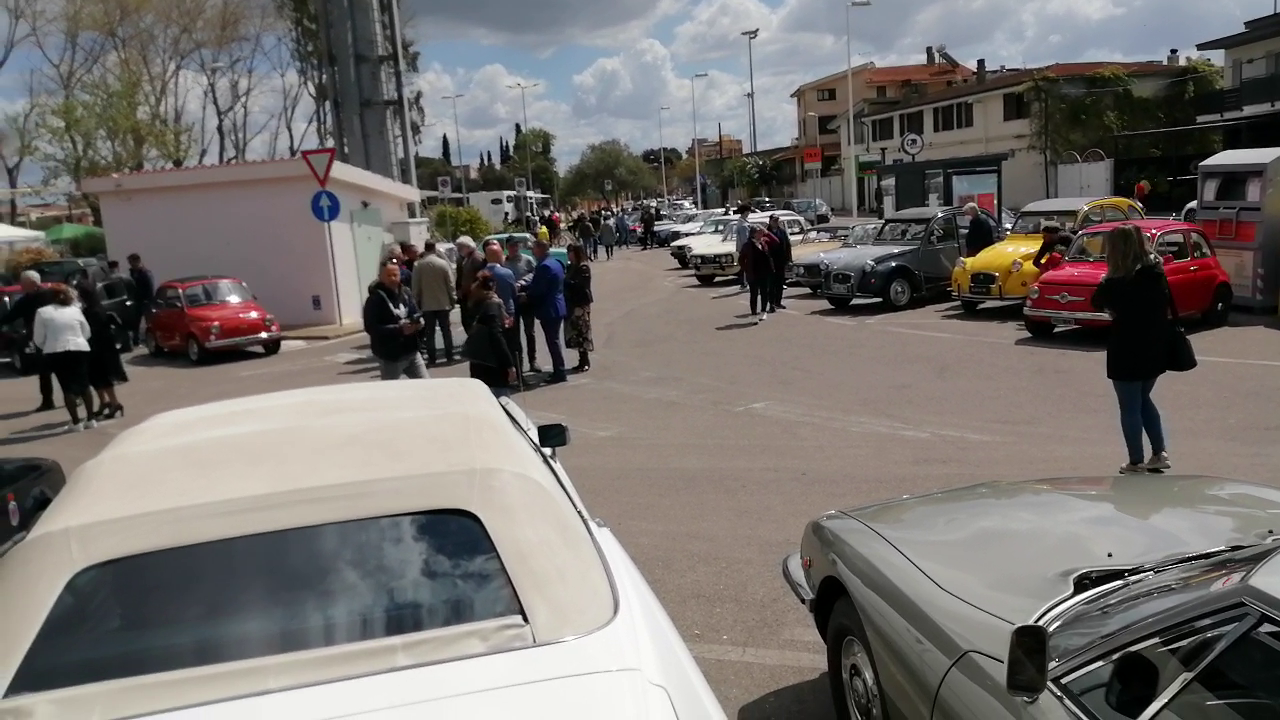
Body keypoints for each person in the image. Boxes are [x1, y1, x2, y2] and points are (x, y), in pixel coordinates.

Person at [1090, 223, 1172, 474]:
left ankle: (1135, 461)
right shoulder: (1156, 274)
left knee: (1129, 406)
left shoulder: (1116, 282)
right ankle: (1159, 453)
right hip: (1155, 346)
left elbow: (1096, 301)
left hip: (1126, 347)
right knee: (1144, 399)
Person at [32, 284, 96, 430]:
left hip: (56, 350)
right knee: (84, 383)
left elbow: (38, 338)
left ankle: (75, 422)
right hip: (79, 347)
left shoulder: (42, 312)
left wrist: (47, 346)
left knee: (67, 386)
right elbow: (86, 331)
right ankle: (91, 418)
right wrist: (79, 340)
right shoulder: (75, 310)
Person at [0, 270, 57, 411]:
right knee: (44, 371)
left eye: (23, 283)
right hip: (39, 338)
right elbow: (10, 316)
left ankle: (73, 396)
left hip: (55, 336)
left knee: (62, 368)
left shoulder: (50, 295)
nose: (20, 285)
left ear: (32, 283)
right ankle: (48, 401)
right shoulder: (26, 300)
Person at [363, 260, 428, 380]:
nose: (393, 278)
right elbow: (371, 327)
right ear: (380, 277)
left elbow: (415, 312)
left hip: (412, 351)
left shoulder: (406, 293)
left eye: (395, 275)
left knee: (426, 385)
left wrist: (418, 323)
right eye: (388, 275)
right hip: (390, 356)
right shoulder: (374, 300)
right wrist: (399, 329)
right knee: (391, 391)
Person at [73, 280, 128, 418]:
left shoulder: (92, 311)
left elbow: (91, 331)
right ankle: (105, 402)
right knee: (96, 378)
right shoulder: (97, 308)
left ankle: (114, 403)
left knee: (102, 377)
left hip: (99, 349)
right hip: (102, 347)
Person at [463, 272, 518, 398]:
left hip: (478, 359)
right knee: (502, 400)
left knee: (483, 398)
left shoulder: (474, 303)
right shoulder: (493, 304)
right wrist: (509, 365)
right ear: (493, 286)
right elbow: (496, 336)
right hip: (493, 362)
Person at [525, 239, 568, 384]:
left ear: (541, 249)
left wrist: (526, 296)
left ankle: (559, 372)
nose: (532, 251)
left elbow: (539, 289)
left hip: (550, 308)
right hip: (558, 306)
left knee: (553, 341)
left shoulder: (544, 266)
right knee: (554, 341)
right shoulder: (555, 262)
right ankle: (559, 369)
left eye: (534, 248)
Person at [411, 240, 456, 366]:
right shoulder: (443, 264)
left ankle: (432, 358)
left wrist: (416, 302)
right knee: (446, 331)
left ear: (425, 249)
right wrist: (453, 299)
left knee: (429, 333)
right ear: (434, 248)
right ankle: (450, 356)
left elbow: (415, 287)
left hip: (427, 304)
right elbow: (450, 284)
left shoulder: (418, 265)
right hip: (443, 303)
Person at [564, 243, 594, 372]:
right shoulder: (571, 267)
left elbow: (582, 286)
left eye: (570, 252)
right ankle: (581, 360)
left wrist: (566, 282)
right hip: (572, 302)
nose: (568, 255)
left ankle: (585, 360)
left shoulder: (583, 267)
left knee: (583, 331)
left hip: (581, 303)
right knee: (575, 332)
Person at [740, 226, 775, 323]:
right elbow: (741, 259)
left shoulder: (764, 243)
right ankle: (754, 315)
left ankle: (763, 311)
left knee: (764, 293)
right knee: (754, 294)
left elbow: (773, 247)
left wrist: (771, 269)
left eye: (761, 232)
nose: (761, 234)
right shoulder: (747, 245)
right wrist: (746, 269)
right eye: (759, 232)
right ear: (753, 234)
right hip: (753, 274)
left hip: (764, 273)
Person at [454, 237, 486, 334]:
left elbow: (482, 276)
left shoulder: (476, 258)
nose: (458, 249)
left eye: (460, 247)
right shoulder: (467, 258)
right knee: (467, 321)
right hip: (467, 296)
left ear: (467, 247)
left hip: (474, 296)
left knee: (472, 321)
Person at [127, 253, 155, 346]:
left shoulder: (145, 273)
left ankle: (152, 340)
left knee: (149, 323)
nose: (130, 264)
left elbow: (150, 288)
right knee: (136, 322)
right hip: (137, 301)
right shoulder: (132, 272)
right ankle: (136, 341)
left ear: (137, 261)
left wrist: (148, 300)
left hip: (145, 301)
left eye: (131, 262)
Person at [766, 215, 792, 311]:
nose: (776, 222)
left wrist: (789, 259)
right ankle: (771, 304)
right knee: (771, 285)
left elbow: (787, 246)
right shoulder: (766, 233)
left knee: (780, 283)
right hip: (770, 262)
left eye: (777, 221)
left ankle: (778, 302)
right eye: (774, 221)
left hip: (781, 261)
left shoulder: (782, 232)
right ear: (770, 221)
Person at [734, 205, 752, 289]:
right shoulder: (743, 225)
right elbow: (745, 239)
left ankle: (745, 283)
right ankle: (745, 283)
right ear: (745, 212)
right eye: (748, 211)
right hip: (745, 248)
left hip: (743, 248)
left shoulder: (743, 222)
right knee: (746, 266)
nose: (749, 213)